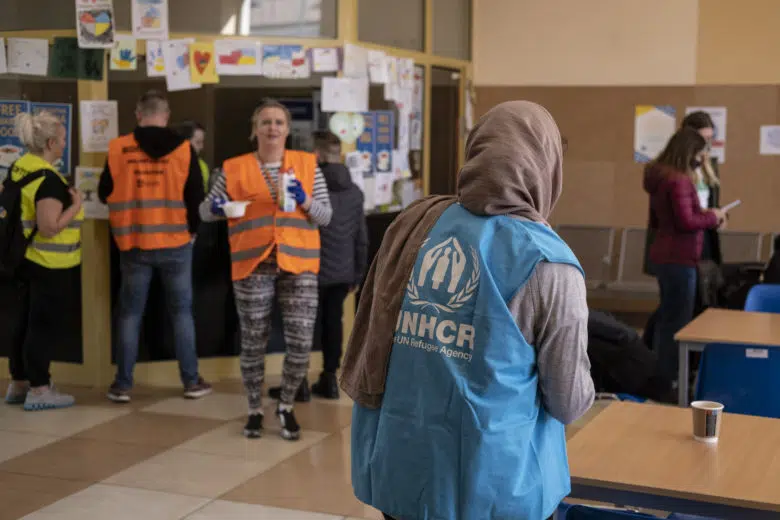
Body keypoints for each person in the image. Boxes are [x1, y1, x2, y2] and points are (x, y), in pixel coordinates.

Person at [340, 101, 595, 520]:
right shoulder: (549, 262)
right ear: (547, 166)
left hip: (405, 475)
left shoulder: (415, 222)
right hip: (497, 489)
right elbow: (568, 401)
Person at [200, 99, 333, 440]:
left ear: (288, 130)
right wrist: (217, 207)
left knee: (301, 341)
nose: (272, 128)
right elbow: (204, 212)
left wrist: (303, 198)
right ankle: (254, 410)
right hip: (253, 262)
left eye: (278, 122)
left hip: (298, 262)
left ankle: (286, 405)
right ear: (254, 130)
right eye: (265, 122)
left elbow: (325, 216)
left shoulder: (307, 165)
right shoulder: (233, 168)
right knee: (254, 340)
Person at [99, 90, 211, 403]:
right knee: (181, 314)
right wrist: (193, 232)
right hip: (176, 243)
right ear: (165, 115)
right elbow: (195, 197)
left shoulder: (119, 148)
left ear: (138, 114)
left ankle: (122, 384)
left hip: (134, 243)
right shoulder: (185, 150)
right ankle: (191, 382)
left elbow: (104, 191)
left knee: (130, 314)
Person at [4, 111, 83, 411]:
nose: (64, 144)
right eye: (62, 140)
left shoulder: (19, 168)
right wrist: (75, 206)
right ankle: (39, 388)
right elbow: (49, 226)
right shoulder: (48, 180)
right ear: (51, 142)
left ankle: (20, 382)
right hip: (48, 264)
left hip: (22, 261)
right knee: (42, 326)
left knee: (23, 322)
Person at [644, 127, 725, 388]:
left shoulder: (660, 177)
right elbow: (686, 220)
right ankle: (669, 379)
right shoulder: (679, 180)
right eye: (700, 153)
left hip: (666, 256)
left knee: (668, 318)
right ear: (690, 152)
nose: (702, 159)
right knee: (676, 323)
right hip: (679, 258)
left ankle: (661, 374)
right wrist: (713, 216)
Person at [309, 130, 367, 399]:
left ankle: (297, 378)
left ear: (317, 155)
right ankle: (330, 376)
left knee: (304, 324)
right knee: (333, 321)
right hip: (343, 269)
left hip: (310, 266)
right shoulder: (355, 192)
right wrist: (357, 272)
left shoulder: (309, 187)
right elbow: (361, 236)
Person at [173, 120, 210, 192]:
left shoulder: (202, 166)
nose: (202, 147)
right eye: (198, 142)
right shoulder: (168, 164)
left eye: (202, 142)